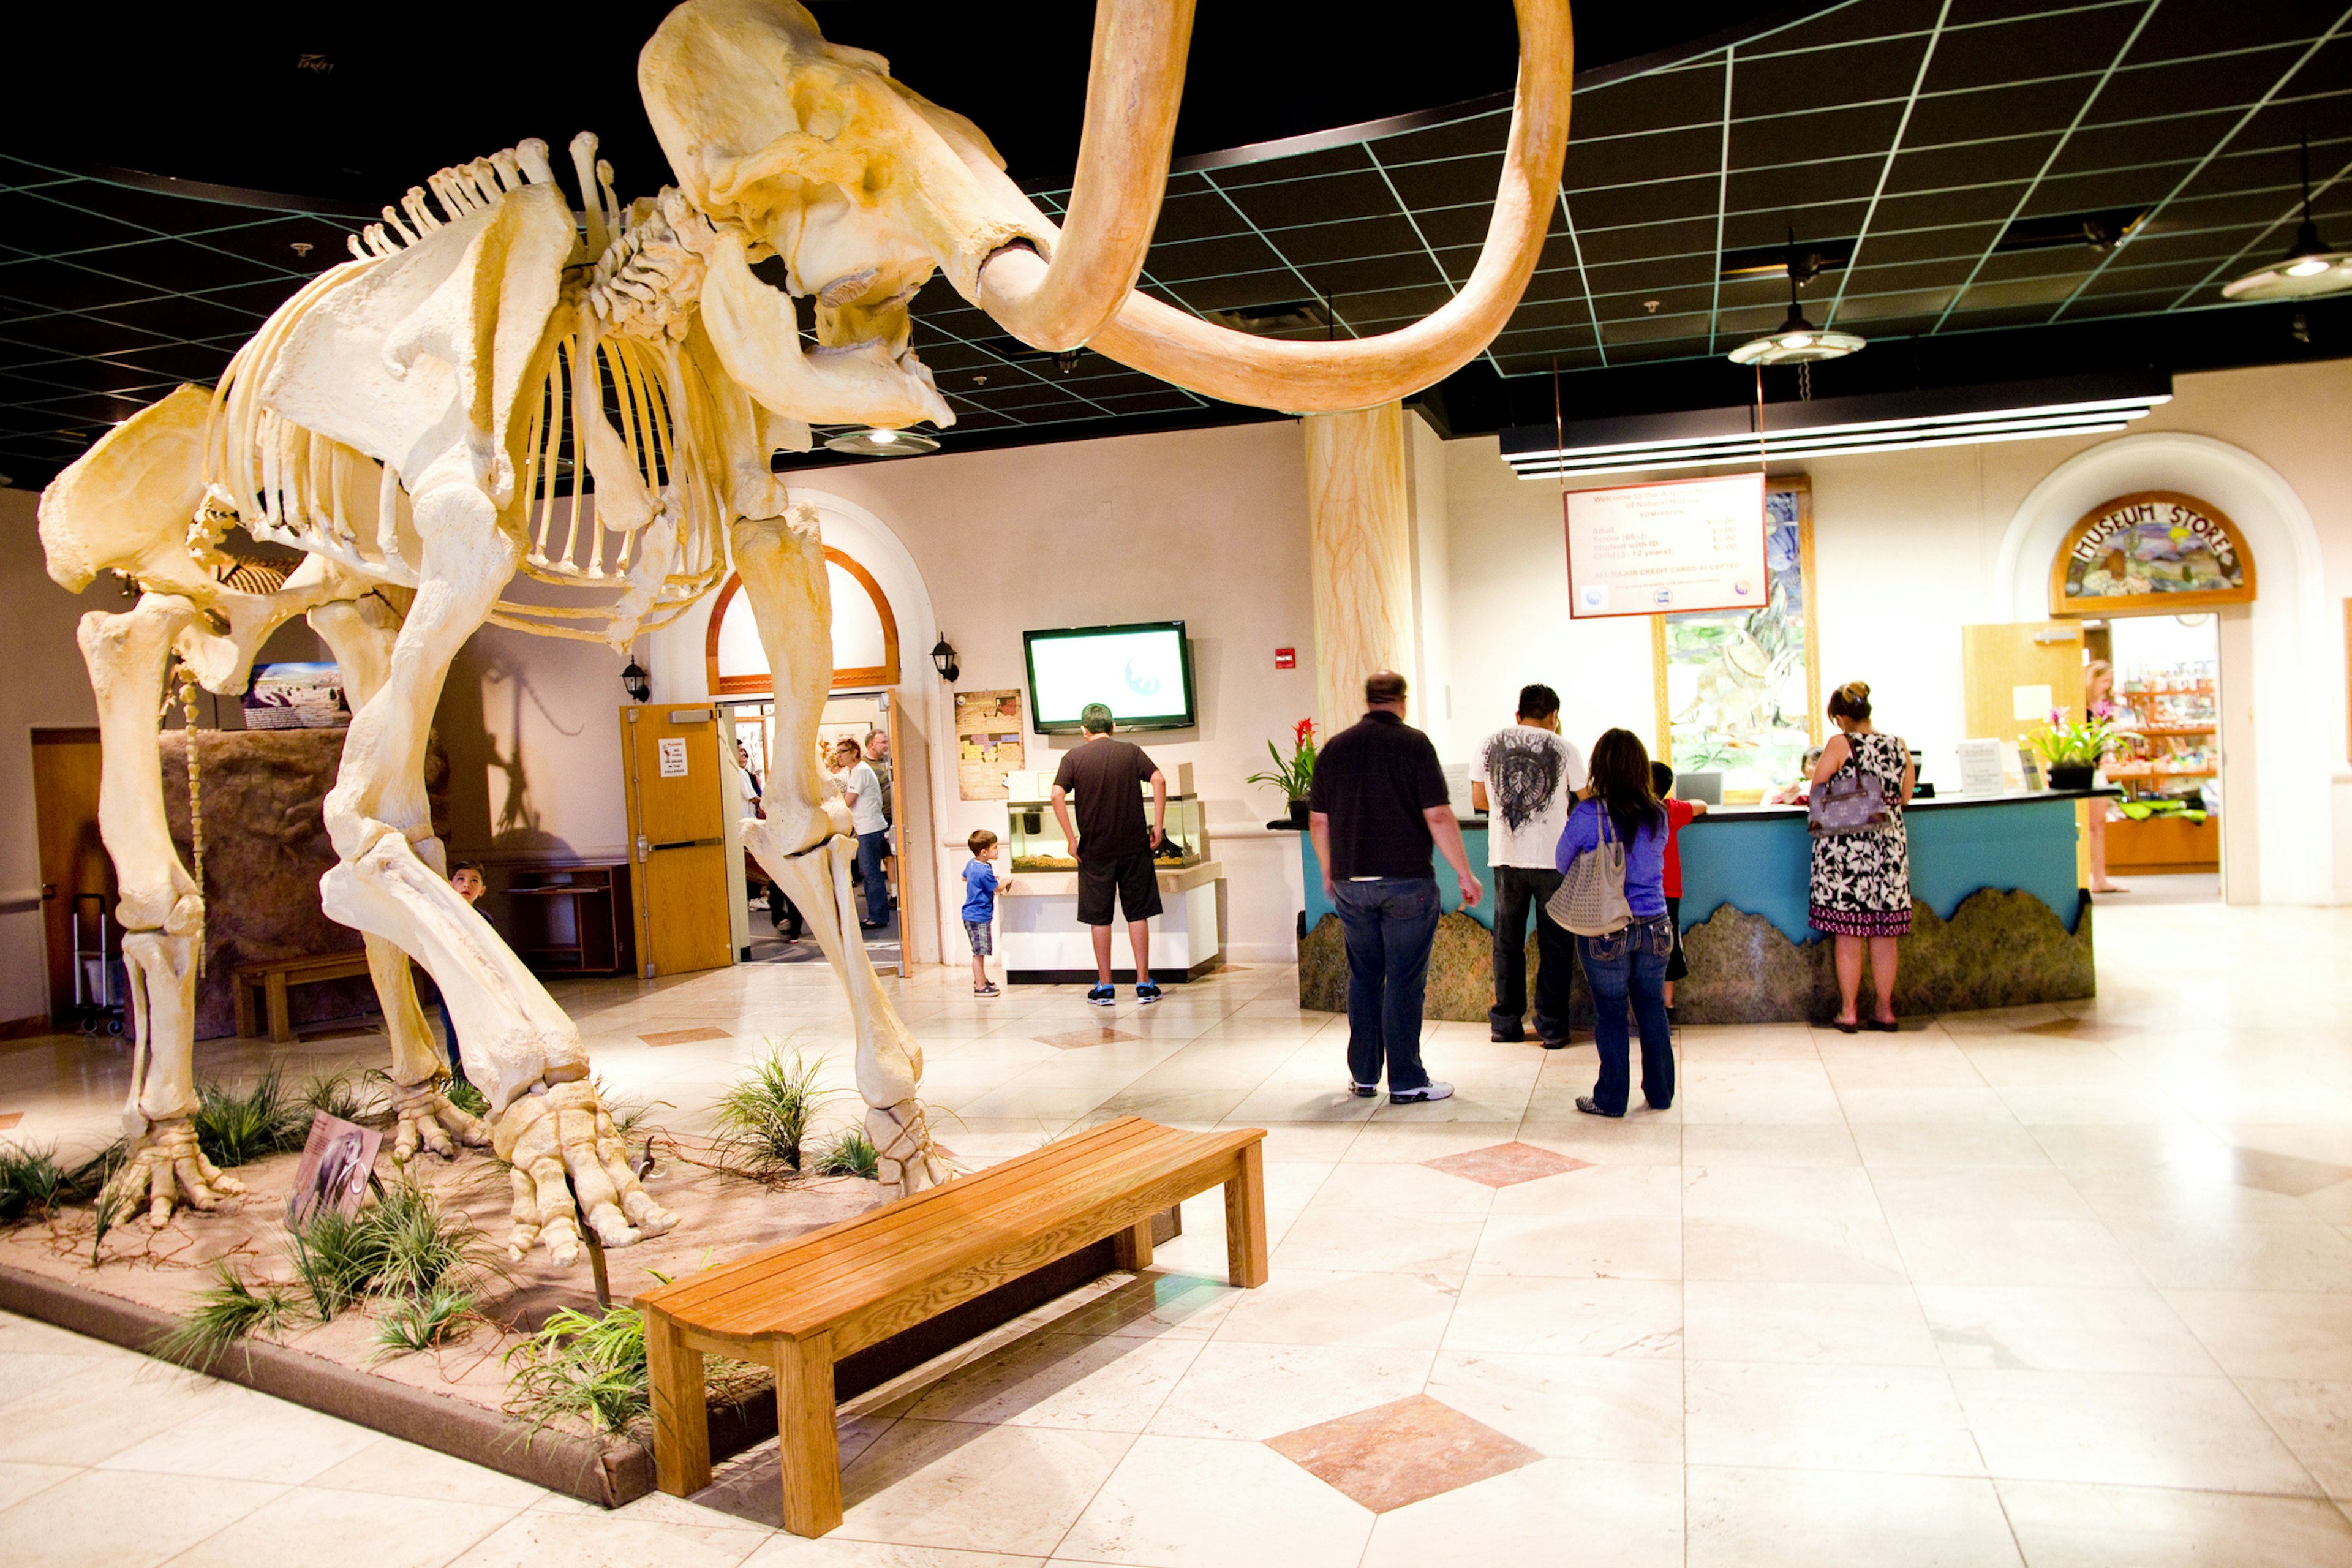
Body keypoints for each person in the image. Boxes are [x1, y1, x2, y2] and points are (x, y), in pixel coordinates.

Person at [1309, 671, 1482, 1104]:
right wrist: (1464, 873)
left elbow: (1318, 820)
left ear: (1368, 700)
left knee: (1364, 978)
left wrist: (1330, 871)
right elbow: (1439, 815)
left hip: (1352, 884)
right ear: (1402, 701)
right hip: (1408, 882)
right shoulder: (1414, 745)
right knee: (1404, 980)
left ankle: (1365, 1076)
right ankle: (1406, 1080)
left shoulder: (1335, 748)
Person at [1555, 730, 1675, 1118]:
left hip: (1607, 926)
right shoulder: (1659, 813)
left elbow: (1561, 861)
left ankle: (1610, 1099)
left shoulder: (1589, 815)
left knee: (1610, 1012)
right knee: (1652, 1008)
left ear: (1599, 767)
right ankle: (1660, 1094)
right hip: (1655, 924)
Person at [1469, 684, 1586, 1047]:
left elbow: (1480, 801)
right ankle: (1551, 1026)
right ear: (1554, 716)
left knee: (1507, 941)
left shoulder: (1488, 744)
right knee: (1556, 944)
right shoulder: (1566, 748)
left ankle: (1505, 1023)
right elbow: (1587, 801)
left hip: (1506, 857)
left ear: (1517, 715)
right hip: (1554, 859)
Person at [1808, 680, 1916, 1033]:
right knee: (1885, 935)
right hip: (1889, 849)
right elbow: (1904, 797)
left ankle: (1849, 1011)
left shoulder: (1841, 744)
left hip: (1846, 851)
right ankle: (1885, 1010)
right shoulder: (1897, 745)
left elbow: (1817, 790)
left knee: (1849, 933)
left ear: (1840, 718)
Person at [1051, 703, 1168, 1006]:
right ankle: (1143, 983)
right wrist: (1159, 824)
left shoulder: (1073, 757)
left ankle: (1105, 986)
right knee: (1137, 912)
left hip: (1095, 850)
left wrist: (1070, 838)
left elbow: (1056, 795)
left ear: (1083, 729)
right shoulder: (1131, 751)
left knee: (1100, 917)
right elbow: (1159, 779)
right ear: (1113, 727)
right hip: (1133, 847)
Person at [1650, 760, 1708, 1026]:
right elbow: (1701, 805)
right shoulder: (1670, 810)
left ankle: (1636, 1011)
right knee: (1668, 948)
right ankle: (1667, 1007)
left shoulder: (1629, 811)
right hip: (1669, 891)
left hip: (1636, 893)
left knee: (1636, 948)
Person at [434, 861, 487, 1088]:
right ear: (450, 884)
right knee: (456, 1040)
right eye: (461, 879)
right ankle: (463, 1090)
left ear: (482, 890)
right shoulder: (441, 917)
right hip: (451, 992)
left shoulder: (485, 920)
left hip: (480, 992)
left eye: (474, 880)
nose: (467, 885)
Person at [833, 738, 891, 929]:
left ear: (854, 753)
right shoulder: (856, 772)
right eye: (838, 751)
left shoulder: (860, 772)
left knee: (871, 874)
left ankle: (878, 916)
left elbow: (847, 802)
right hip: (867, 828)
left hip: (869, 829)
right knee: (868, 874)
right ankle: (875, 914)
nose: (839, 755)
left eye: (843, 751)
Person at [2084, 659, 2125, 894]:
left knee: (2099, 826)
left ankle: (2100, 878)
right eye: (2105, 681)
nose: (2107, 687)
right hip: (2086, 771)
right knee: (2090, 826)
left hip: (2098, 770)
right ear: (2093, 679)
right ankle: (2092, 877)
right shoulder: (2082, 708)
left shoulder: (2101, 707)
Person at [961, 829, 1010, 997]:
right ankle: (980, 986)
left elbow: (964, 878)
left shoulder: (972, 864)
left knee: (979, 950)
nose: (997, 851)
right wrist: (1005, 881)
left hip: (972, 914)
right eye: (995, 848)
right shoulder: (984, 871)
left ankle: (981, 979)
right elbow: (997, 889)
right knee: (979, 953)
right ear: (984, 852)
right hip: (978, 916)